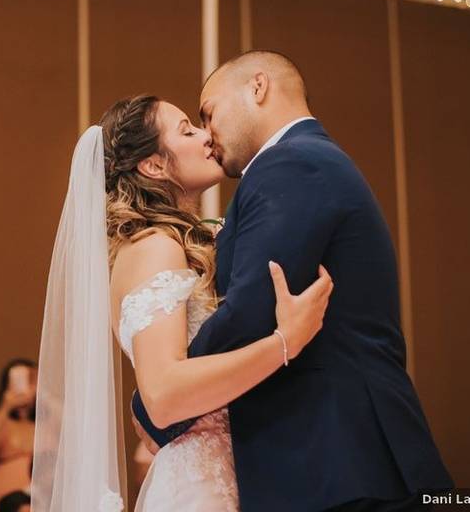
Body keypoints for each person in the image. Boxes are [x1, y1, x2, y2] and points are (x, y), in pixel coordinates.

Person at [131, 50, 453, 511]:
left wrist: (159, 404)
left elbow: (252, 311)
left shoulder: (290, 163)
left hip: (339, 457)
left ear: (257, 88)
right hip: (331, 458)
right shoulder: (307, 161)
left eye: (209, 113)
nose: (208, 135)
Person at [32, 92, 333, 511]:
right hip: (200, 488)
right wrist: (285, 341)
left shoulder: (174, 243)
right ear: (154, 165)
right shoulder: (154, 246)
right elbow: (164, 394)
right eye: (187, 130)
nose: (206, 136)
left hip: (237, 472)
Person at [0, 359, 37, 512]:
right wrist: (6, 407)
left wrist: (44, 397)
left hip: (29, 503)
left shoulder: (43, 426)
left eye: (31, 380)